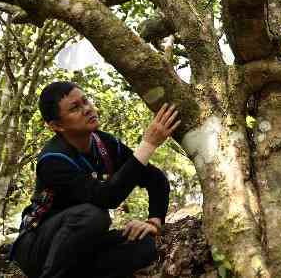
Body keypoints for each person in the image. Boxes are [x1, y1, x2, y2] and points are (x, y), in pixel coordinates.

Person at [10, 81, 180, 278]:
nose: (87, 109)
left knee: (145, 246)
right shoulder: (53, 160)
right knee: (93, 215)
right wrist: (148, 144)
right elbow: (106, 198)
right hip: (37, 247)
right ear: (56, 126)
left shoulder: (105, 144)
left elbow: (155, 179)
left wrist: (153, 223)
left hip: (80, 246)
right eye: (75, 108)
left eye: (86, 101)